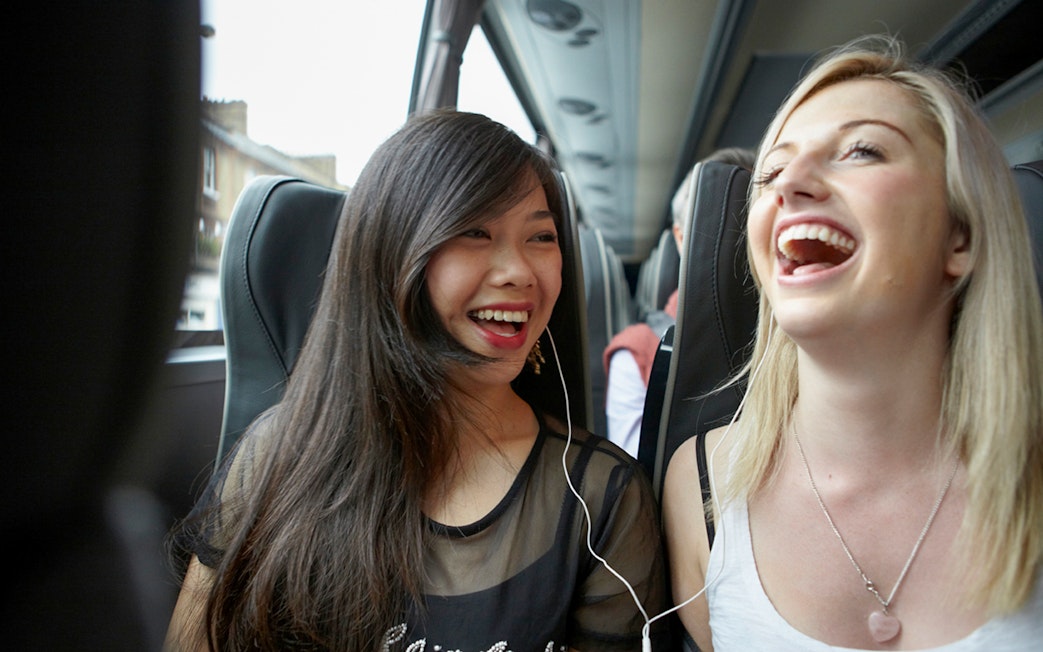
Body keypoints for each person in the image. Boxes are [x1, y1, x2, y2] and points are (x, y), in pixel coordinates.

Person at [165, 110, 672, 651]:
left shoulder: (602, 499)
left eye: (541, 237)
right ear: (391, 257)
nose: (520, 271)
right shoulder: (276, 453)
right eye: (474, 231)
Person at [662, 36, 1043, 651]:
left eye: (861, 151)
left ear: (960, 236)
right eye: (773, 171)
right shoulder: (701, 486)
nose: (792, 185)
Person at [603, 148, 754, 457]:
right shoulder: (638, 352)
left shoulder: (807, 331)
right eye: (724, 231)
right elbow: (639, 481)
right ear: (682, 238)